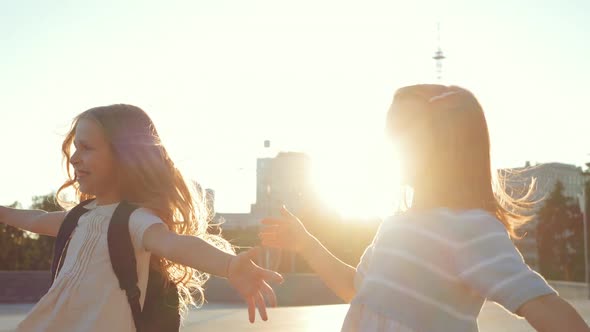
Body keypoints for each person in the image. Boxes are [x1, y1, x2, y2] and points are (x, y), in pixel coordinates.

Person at [259, 84, 590, 331]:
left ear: (447, 148)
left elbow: (540, 304)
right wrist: (306, 243)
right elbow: (360, 291)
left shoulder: (469, 229)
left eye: (402, 132)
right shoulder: (394, 226)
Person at [0, 104, 282, 331]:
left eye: (86, 148)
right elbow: (36, 219)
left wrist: (230, 265)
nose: (74, 158)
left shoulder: (133, 219)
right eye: (75, 148)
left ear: (124, 157)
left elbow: (173, 244)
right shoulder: (79, 217)